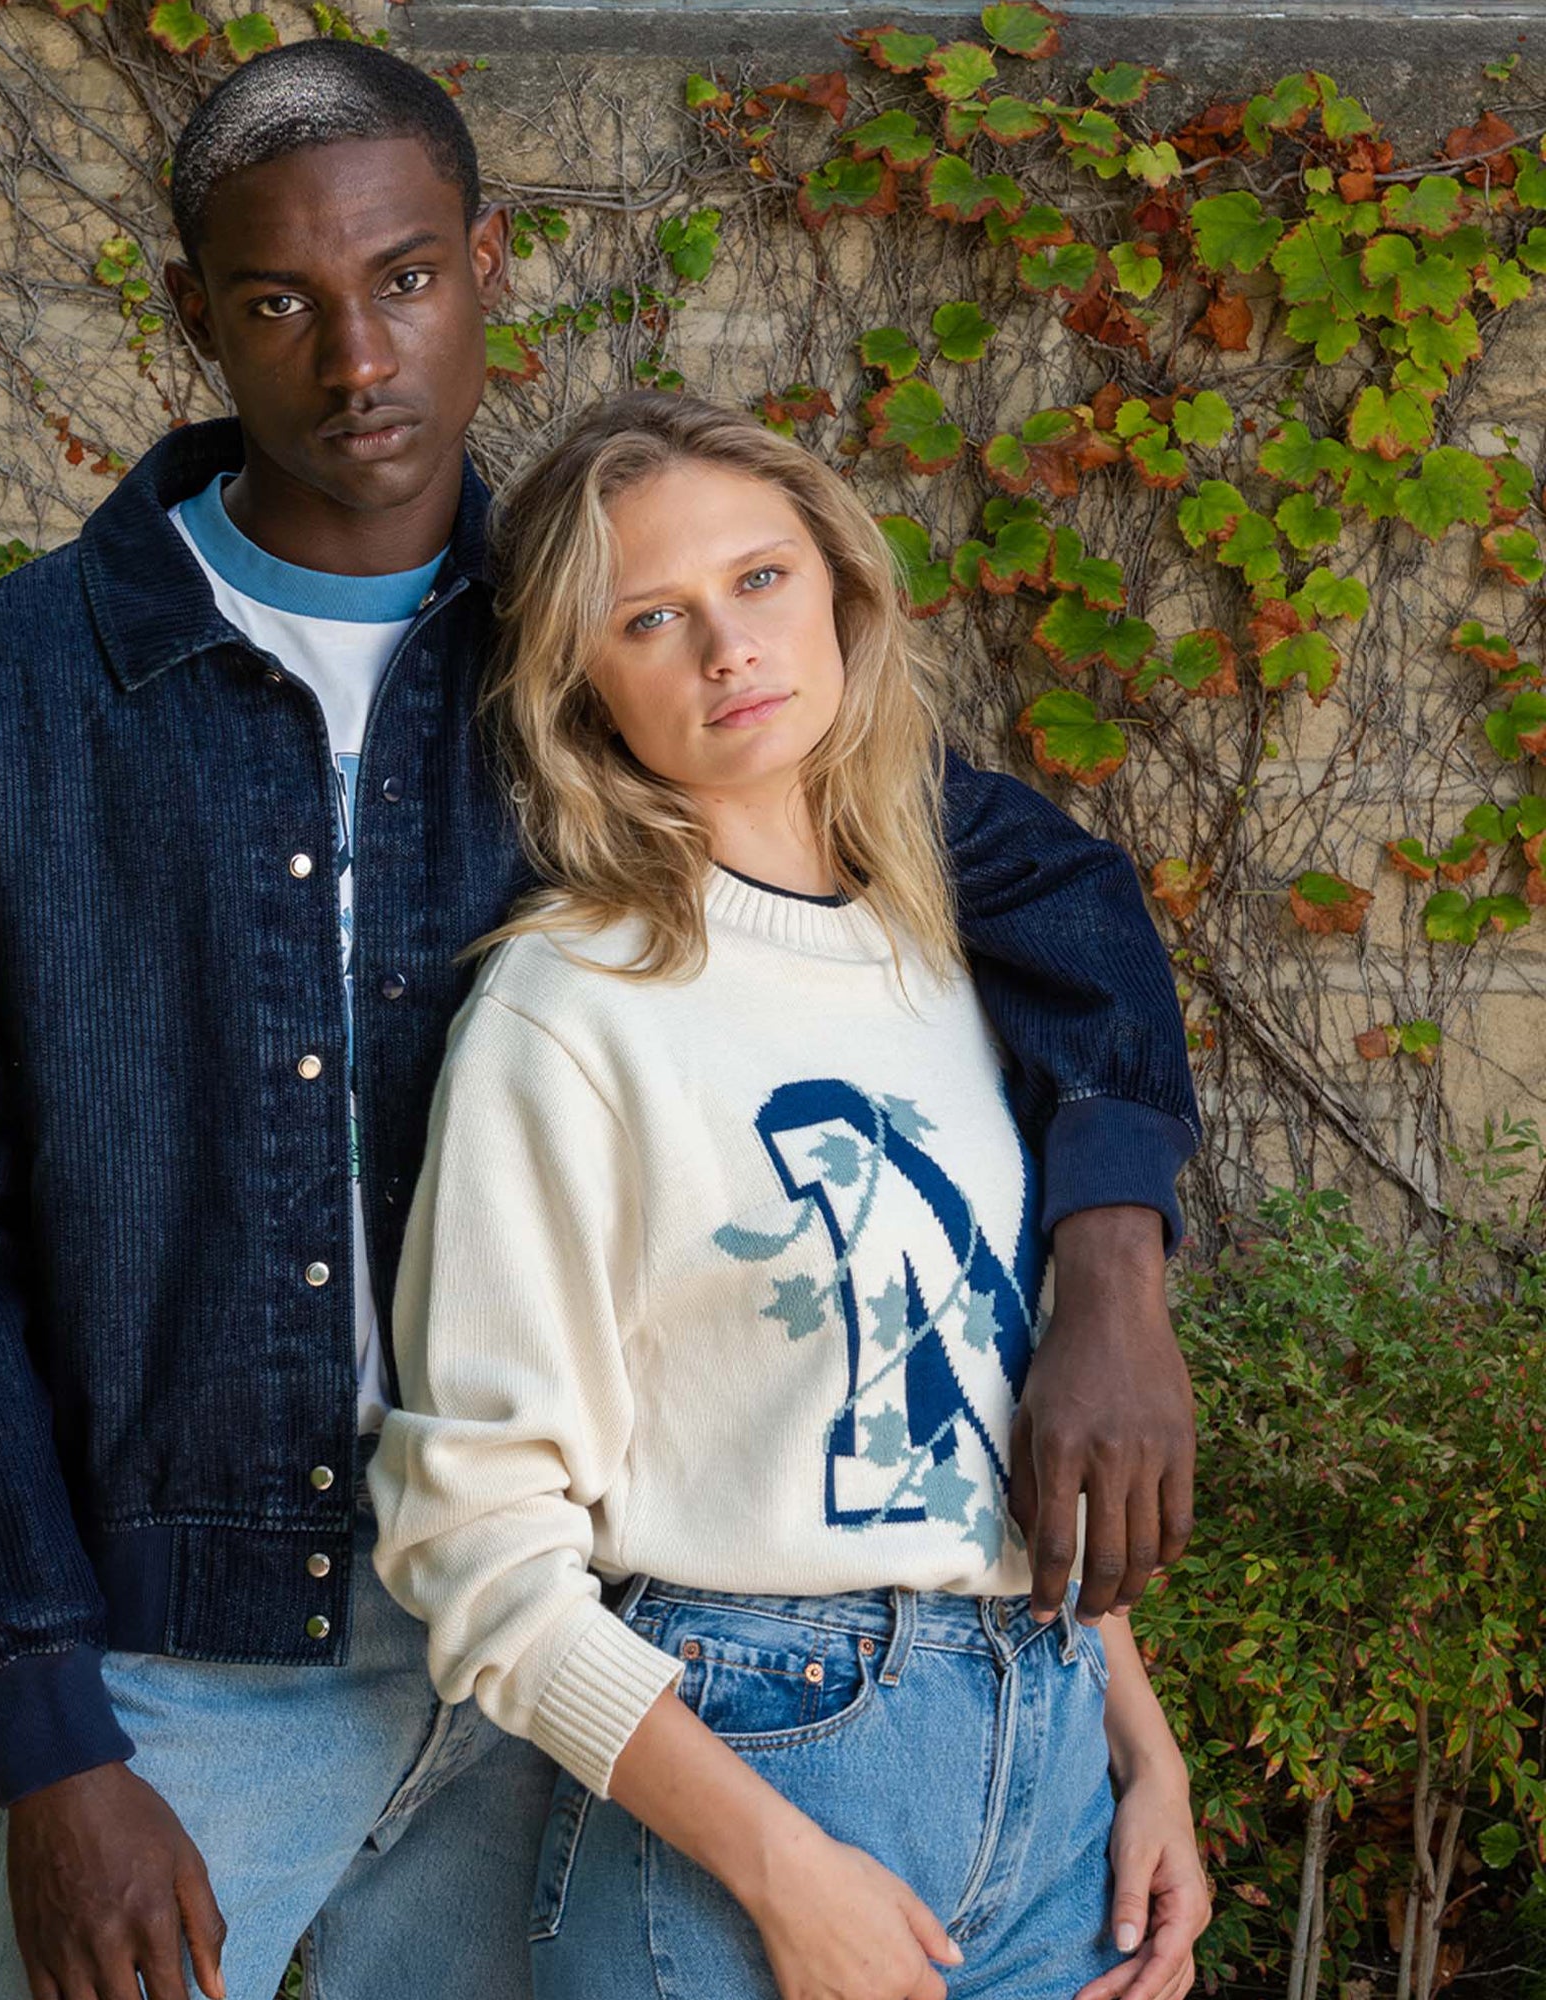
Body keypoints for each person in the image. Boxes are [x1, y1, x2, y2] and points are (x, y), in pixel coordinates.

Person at [0, 39, 1200, 2000]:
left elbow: (1040, 895)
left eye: (405, 279)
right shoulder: (10, 703)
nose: (358, 360)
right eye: (278, 302)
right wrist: (50, 1737)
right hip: (205, 1654)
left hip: (613, 1651)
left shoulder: (604, 642)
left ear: (487, 264)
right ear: (194, 312)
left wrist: (1112, 1265)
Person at [369, 391, 1212, 2000]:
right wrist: (776, 1868)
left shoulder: (958, 952)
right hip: (746, 1797)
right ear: (580, 685)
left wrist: (1141, 1753)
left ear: (841, 587)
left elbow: (971, 1398)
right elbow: (476, 1547)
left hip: (1051, 1785)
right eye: (650, 619)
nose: (727, 649)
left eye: (759, 579)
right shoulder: (571, 1008)